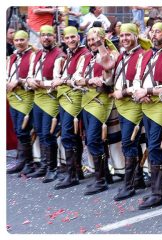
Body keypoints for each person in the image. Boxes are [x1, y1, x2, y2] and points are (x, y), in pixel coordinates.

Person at [133, 22, 162, 210]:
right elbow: (137, 78)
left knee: (154, 147)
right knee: (152, 146)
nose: (154, 34)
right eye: (152, 31)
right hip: (146, 104)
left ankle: (157, 193)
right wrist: (139, 92)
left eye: (158, 31)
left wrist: (147, 91)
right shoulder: (146, 55)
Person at [110, 23, 152, 201]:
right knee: (130, 143)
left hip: (133, 104)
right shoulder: (120, 56)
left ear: (136, 36)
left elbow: (140, 83)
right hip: (122, 105)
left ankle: (129, 185)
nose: (124, 39)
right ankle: (137, 179)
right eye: (122, 36)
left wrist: (125, 92)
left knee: (129, 143)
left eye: (128, 35)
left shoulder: (142, 55)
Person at [74, 27, 116, 195]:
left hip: (101, 101)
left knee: (93, 140)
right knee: (92, 140)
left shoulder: (110, 54)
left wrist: (99, 80)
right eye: (90, 40)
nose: (92, 42)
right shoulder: (85, 57)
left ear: (103, 38)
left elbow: (109, 79)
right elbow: (75, 78)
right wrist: (87, 80)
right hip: (85, 101)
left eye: (95, 39)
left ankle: (100, 180)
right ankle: (105, 174)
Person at [51, 26, 92, 190]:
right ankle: (75, 171)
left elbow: (78, 78)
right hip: (65, 97)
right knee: (71, 136)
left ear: (78, 37)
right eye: (67, 38)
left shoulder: (84, 54)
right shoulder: (68, 54)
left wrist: (61, 81)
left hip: (75, 98)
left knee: (68, 135)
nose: (70, 40)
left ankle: (72, 175)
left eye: (73, 37)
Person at [24, 25, 66, 182]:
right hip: (37, 98)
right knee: (40, 132)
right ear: (40, 37)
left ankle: (52, 168)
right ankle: (44, 165)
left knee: (49, 134)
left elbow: (58, 81)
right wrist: (29, 81)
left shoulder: (59, 56)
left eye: (49, 35)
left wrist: (42, 84)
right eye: (43, 35)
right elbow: (29, 75)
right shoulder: (36, 55)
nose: (46, 38)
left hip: (51, 99)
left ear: (54, 37)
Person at [6, 30, 35, 176]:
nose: (19, 42)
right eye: (17, 40)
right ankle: (22, 161)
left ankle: (29, 163)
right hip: (13, 98)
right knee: (18, 131)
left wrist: (19, 81)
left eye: (22, 40)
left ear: (28, 40)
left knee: (23, 130)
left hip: (26, 98)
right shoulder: (11, 57)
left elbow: (33, 79)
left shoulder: (33, 56)